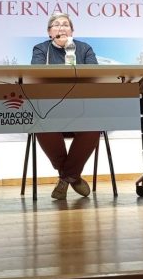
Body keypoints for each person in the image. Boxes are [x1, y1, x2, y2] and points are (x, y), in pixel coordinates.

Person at [30, 13, 99, 200]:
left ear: (72, 30)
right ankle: (72, 177)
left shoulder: (84, 49)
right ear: (49, 32)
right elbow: (35, 77)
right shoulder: (41, 49)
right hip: (51, 110)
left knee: (94, 126)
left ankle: (65, 177)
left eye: (66, 25)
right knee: (41, 125)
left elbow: (94, 76)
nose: (61, 28)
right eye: (56, 25)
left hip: (81, 109)